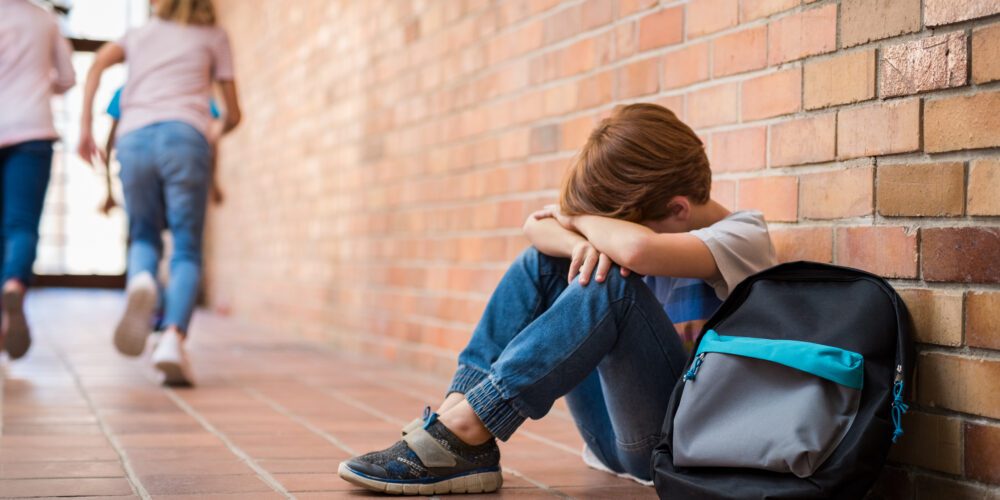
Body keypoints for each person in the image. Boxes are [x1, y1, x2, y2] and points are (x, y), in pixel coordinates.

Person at [337, 103, 777, 495]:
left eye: (624, 225)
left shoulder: (743, 236)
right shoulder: (647, 229)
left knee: (613, 285)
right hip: (611, 437)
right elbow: (536, 227)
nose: (612, 232)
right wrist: (573, 236)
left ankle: (469, 424)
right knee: (544, 261)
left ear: (679, 210)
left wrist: (575, 219)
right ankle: (459, 427)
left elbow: (636, 249)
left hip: (672, 444)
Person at [78, 0, 241, 385]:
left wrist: (84, 127)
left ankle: (142, 279)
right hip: (185, 136)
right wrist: (210, 134)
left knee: (143, 235)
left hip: (133, 139)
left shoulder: (138, 35)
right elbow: (233, 113)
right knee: (185, 246)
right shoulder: (214, 36)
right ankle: (172, 338)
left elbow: (98, 63)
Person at [0, 0, 76, 360]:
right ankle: (14, 283)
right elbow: (67, 78)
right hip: (33, 129)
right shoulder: (45, 20)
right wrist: (39, 82)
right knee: (22, 223)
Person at [100, 86, 226, 214]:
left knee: (145, 227)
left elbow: (110, 143)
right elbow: (210, 139)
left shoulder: (192, 85)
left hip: (156, 164)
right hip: (172, 162)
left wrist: (213, 182)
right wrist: (108, 191)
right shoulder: (193, 85)